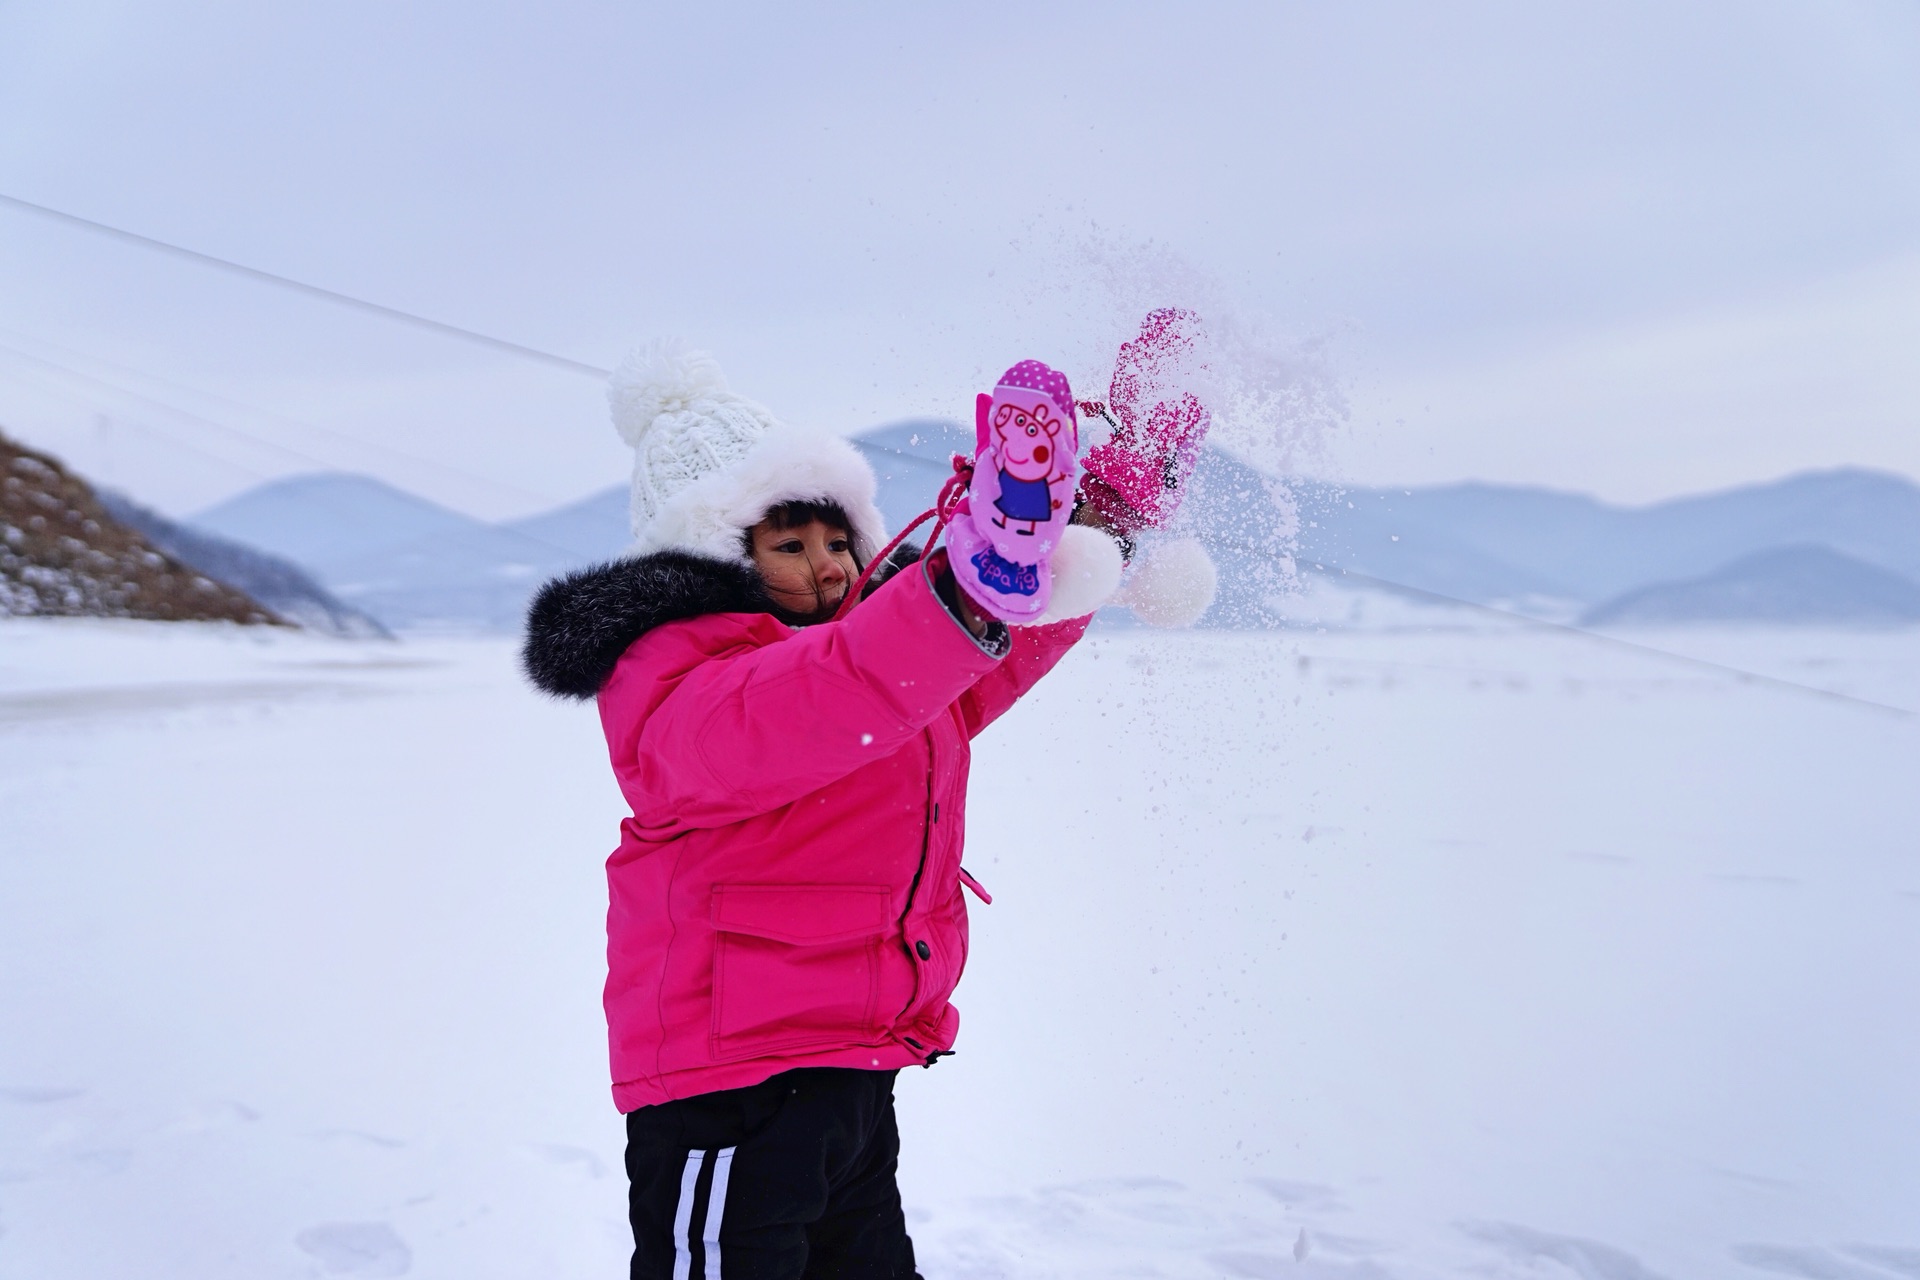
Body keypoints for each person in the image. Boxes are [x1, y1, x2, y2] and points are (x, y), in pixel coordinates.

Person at [521, 341, 1127, 1279]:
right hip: (728, 1091)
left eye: (840, 539)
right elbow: (827, 692)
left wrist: (1092, 530)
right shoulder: (686, 687)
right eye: (789, 545)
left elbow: (959, 672)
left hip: (853, 1067)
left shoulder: (871, 664)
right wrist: (959, 589)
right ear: (720, 554)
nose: (831, 565)